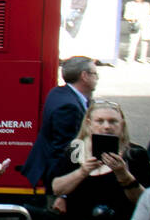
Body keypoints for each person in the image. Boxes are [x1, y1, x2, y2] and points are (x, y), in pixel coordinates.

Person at [22, 55, 96, 188]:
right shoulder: (69, 108)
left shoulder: (58, 92)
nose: (98, 78)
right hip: (59, 177)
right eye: (95, 74)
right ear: (84, 76)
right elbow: (65, 151)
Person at [123, 0, 150, 64]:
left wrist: (149, 18)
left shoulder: (147, 5)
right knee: (133, 42)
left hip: (145, 25)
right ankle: (130, 58)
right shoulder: (130, 4)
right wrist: (133, 18)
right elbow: (126, 15)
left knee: (145, 42)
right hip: (135, 25)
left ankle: (143, 58)